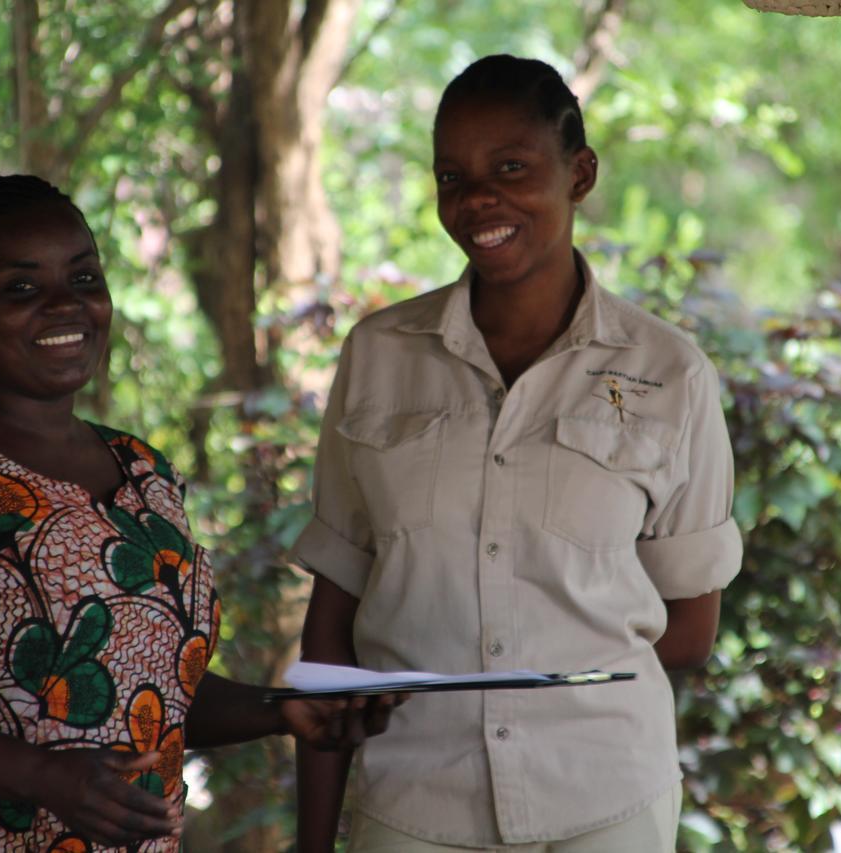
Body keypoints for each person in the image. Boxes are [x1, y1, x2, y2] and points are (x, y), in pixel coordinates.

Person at [0, 175, 398, 852]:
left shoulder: (145, 476)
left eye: (84, 277)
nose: (66, 305)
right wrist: (45, 776)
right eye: (22, 288)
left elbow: (147, 690)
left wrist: (280, 710)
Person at [293, 55, 742, 852]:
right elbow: (332, 626)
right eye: (451, 175)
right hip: (413, 801)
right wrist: (316, 835)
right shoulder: (380, 356)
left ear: (581, 172)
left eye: (511, 167)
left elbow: (691, 625)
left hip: (606, 803)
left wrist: (539, 681)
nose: (477, 199)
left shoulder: (668, 372)